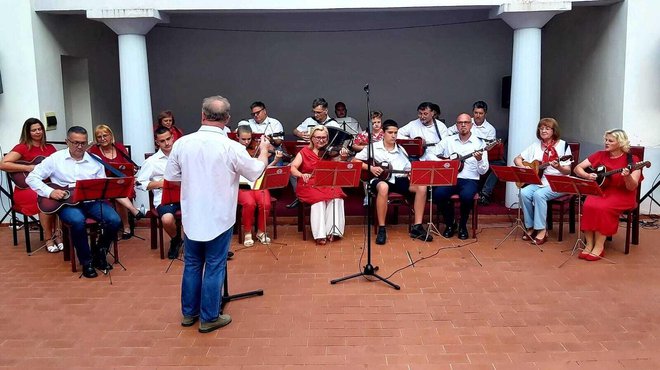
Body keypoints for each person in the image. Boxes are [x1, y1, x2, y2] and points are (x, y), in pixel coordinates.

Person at [165, 95, 269, 333]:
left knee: (191, 264)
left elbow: (171, 177)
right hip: (219, 216)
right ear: (228, 118)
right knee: (214, 265)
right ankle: (210, 317)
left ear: (202, 115)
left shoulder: (183, 143)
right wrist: (263, 150)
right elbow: (255, 172)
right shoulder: (231, 146)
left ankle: (189, 314)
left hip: (192, 214)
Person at [26, 126, 122, 278]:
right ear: (67, 142)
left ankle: (99, 252)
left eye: (83, 143)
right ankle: (87, 262)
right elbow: (31, 178)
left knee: (114, 220)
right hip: (66, 203)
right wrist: (51, 192)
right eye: (75, 142)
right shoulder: (55, 159)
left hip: (91, 201)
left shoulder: (94, 161)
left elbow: (101, 184)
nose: (79, 146)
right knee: (77, 221)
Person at [354, 119, 432, 244]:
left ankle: (417, 227)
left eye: (395, 132)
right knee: (384, 187)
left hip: (399, 179)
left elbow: (408, 167)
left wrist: (410, 173)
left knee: (422, 187)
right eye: (390, 132)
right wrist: (371, 168)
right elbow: (355, 161)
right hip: (380, 179)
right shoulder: (373, 147)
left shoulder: (401, 149)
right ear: (383, 133)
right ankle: (382, 228)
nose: (394, 135)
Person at [574, 129, 643, 261]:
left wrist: (627, 176)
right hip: (602, 190)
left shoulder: (633, 160)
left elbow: (632, 186)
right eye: (606, 140)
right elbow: (578, 168)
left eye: (610, 140)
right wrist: (588, 175)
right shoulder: (600, 154)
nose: (606, 143)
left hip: (622, 194)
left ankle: (599, 247)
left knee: (603, 208)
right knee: (588, 204)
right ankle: (589, 244)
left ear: (620, 143)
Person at [0, 118, 60, 252]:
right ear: (28, 132)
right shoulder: (22, 147)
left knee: (60, 196)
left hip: (46, 184)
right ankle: (49, 238)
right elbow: (3, 164)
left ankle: (58, 235)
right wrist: (30, 168)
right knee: (45, 197)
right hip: (26, 189)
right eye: (34, 130)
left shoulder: (50, 148)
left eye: (39, 129)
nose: (38, 132)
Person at [426, 113, 489, 240]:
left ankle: (462, 225)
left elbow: (483, 171)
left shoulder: (479, 143)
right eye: (460, 123)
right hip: (450, 178)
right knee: (438, 194)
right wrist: (445, 162)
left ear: (471, 125)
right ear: (456, 126)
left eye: (466, 122)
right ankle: (450, 224)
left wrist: (480, 160)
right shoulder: (448, 141)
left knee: (466, 196)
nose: (463, 125)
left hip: (470, 179)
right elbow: (429, 154)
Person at [513, 118, 572, 245]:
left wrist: (559, 167)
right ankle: (530, 226)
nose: (543, 130)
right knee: (523, 193)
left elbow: (568, 171)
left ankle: (542, 229)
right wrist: (524, 167)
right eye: (541, 128)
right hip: (541, 181)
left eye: (547, 128)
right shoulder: (535, 146)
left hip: (558, 181)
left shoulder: (563, 145)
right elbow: (517, 159)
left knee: (539, 195)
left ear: (553, 130)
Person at [290, 125, 350, 245]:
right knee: (318, 200)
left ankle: (332, 231)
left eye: (324, 137)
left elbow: (339, 169)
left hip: (326, 182)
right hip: (308, 184)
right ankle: (320, 234)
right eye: (318, 137)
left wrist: (343, 158)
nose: (321, 140)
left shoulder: (330, 152)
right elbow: (292, 168)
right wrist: (301, 175)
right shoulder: (304, 152)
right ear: (312, 138)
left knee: (337, 196)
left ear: (328, 139)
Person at [87, 124, 145, 239]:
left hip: (121, 182)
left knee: (119, 192)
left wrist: (131, 169)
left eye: (105, 135)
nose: (102, 139)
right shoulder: (93, 150)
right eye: (99, 137)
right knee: (116, 192)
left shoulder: (119, 147)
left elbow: (127, 166)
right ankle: (130, 218)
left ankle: (125, 225)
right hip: (103, 183)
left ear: (111, 135)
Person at [135, 127, 183, 259]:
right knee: (167, 219)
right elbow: (139, 183)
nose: (167, 143)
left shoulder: (184, 155)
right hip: (164, 198)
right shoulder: (152, 161)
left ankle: (206, 247)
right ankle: (176, 240)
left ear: (173, 138)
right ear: (157, 143)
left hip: (186, 196)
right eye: (162, 141)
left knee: (204, 212)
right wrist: (160, 184)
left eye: (168, 139)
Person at [235, 125, 283, 247]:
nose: (246, 142)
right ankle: (247, 232)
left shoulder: (258, 148)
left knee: (265, 203)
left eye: (249, 139)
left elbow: (263, 169)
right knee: (249, 203)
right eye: (243, 139)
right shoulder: (233, 150)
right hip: (242, 185)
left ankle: (261, 232)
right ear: (237, 137)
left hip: (258, 182)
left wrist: (276, 160)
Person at [447, 101, 500, 205]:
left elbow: (489, 148)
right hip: (459, 157)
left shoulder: (490, 129)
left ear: (485, 114)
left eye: (481, 113)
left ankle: (485, 193)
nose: (478, 116)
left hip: (480, 156)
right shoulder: (465, 122)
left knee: (499, 165)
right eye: (476, 113)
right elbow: (448, 132)